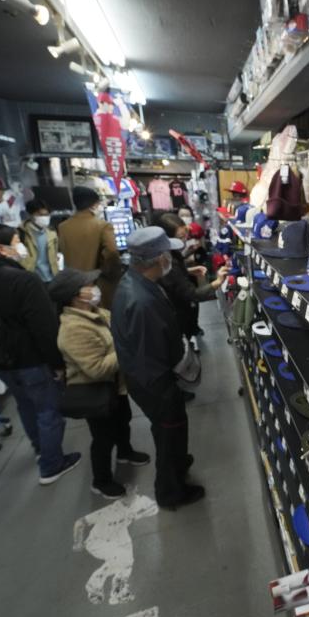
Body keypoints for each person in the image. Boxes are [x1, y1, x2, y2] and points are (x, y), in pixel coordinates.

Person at [0, 224, 80, 484]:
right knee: (48, 409)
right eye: (16, 241)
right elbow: (44, 326)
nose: (21, 246)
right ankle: (52, 464)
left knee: (25, 405)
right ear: (1, 249)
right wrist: (58, 363)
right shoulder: (23, 279)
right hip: (30, 358)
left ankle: (40, 450)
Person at [110, 227, 203, 510]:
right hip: (155, 383)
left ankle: (178, 461)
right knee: (168, 432)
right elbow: (151, 353)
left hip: (148, 378)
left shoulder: (137, 283)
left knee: (172, 429)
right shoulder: (142, 301)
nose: (171, 259)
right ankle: (170, 492)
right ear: (157, 258)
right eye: (167, 254)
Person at [49, 268, 150, 499]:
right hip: (96, 391)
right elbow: (96, 368)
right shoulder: (73, 329)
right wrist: (127, 348)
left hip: (116, 385)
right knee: (103, 438)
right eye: (89, 285)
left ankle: (125, 452)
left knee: (122, 421)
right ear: (76, 295)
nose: (95, 288)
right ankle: (101, 480)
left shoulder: (96, 312)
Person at [156, 213, 229, 359]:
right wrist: (217, 282)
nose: (184, 240)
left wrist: (188, 270)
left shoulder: (169, 252)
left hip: (179, 306)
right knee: (182, 335)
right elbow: (193, 294)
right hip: (176, 310)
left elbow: (173, 271)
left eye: (185, 235)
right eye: (180, 237)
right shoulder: (165, 257)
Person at [58, 186, 122, 308]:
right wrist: (110, 272)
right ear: (94, 204)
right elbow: (112, 251)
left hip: (74, 287)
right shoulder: (102, 226)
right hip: (98, 285)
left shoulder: (63, 227)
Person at [20, 199, 59, 282]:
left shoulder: (52, 232)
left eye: (47, 214)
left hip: (52, 277)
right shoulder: (20, 233)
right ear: (30, 215)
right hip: (32, 279)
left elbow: (55, 254)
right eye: (40, 215)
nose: (44, 218)